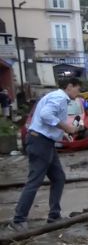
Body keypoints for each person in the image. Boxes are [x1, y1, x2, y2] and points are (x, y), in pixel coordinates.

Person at [7, 78, 82, 232]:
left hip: (44, 141)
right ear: (69, 86)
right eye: (78, 89)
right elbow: (45, 115)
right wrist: (67, 127)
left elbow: (46, 121)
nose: (78, 93)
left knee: (58, 177)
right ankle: (18, 219)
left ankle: (54, 216)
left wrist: (61, 134)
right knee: (34, 181)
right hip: (40, 142)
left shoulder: (55, 96)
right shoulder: (60, 97)